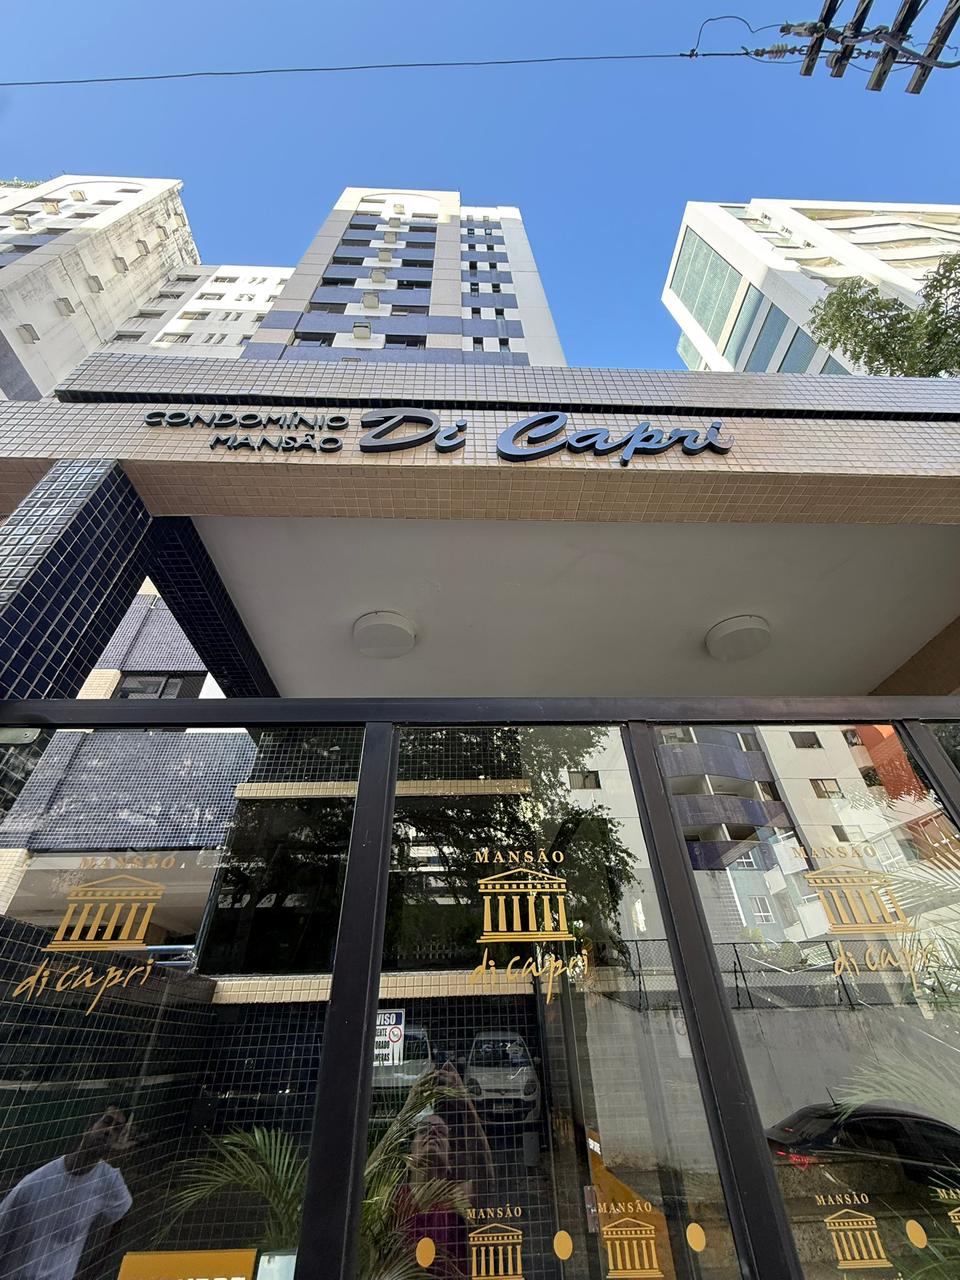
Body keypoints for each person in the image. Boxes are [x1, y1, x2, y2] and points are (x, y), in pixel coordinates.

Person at [0, 1105, 133, 1280]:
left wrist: (93, 1269)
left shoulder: (110, 1181)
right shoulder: (33, 1184)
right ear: (89, 1126)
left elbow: (124, 1212)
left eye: (117, 1129)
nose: (109, 1131)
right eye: (106, 1122)